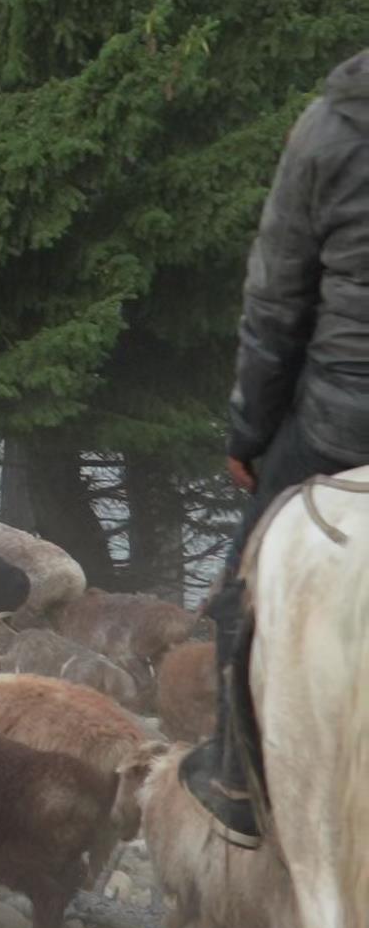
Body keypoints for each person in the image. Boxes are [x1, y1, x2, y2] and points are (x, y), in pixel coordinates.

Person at [181, 47, 369, 845]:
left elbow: (277, 302)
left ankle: (235, 774)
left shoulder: (331, 129)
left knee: (244, 578)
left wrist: (250, 435)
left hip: (342, 425)